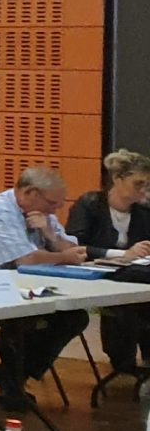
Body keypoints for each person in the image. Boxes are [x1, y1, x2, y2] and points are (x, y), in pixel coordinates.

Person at [0, 166, 93, 405]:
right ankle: (12, 381)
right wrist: (63, 257)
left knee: (74, 316)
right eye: (52, 204)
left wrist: (49, 234)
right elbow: (25, 260)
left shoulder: (42, 212)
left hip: (23, 284)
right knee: (22, 319)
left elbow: (72, 250)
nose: (56, 209)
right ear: (30, 193)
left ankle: (12, 375)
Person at [70, 149, 150, 381]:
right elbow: (76, 246)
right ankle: (123, 361)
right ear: (118, 179)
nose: (143, 190)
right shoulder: (89, 205)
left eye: (147, 185)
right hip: (92, 272)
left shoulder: (144, 212)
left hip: (132, 273)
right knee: (128, 305)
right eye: (138, 184)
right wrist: (124, 254)